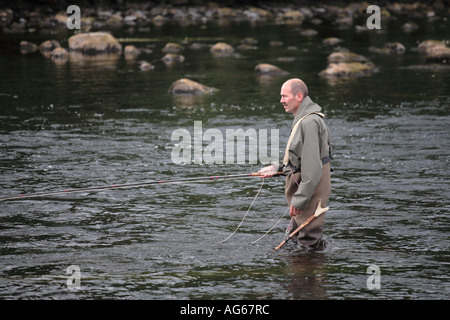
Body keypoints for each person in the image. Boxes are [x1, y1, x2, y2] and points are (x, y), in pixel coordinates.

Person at [260, 78, 333, 250]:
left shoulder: (309, 123)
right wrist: (277, 167)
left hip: (310, 190)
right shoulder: (304, 119)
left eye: (284, 96)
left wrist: (299, 200)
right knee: (299, 240)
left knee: (308, 244)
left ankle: (307, 274)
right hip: (306, 189)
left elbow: (313, 168)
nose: (281, 100)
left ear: (299, 96)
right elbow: (300, 157)